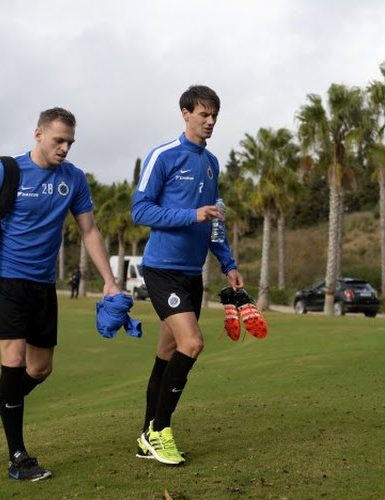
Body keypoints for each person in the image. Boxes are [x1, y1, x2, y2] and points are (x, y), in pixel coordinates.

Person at [0, 107, 121, 481]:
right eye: (58, 140)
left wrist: (110, 282)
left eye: (70, 142)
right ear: (38, 134)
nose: (64, 148)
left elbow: (90, 232)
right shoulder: (8, 171)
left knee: (39, 369)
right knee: (14, 362)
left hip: (44, 285)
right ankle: (18, 458)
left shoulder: (74, 179)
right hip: (7, 280)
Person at [131, 85, 244, 465]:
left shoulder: (211, 163)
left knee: (168, 352)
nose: (210, 122)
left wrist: (228, 264)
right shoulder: (163, 155)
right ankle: (160, 430)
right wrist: (189, 215)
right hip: (162, 269)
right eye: (203, 115)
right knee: (192, 344)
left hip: (192, 274)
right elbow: (141, 211)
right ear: (185, 113)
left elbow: (215, 222)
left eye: (214, 116)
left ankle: (148, 431)